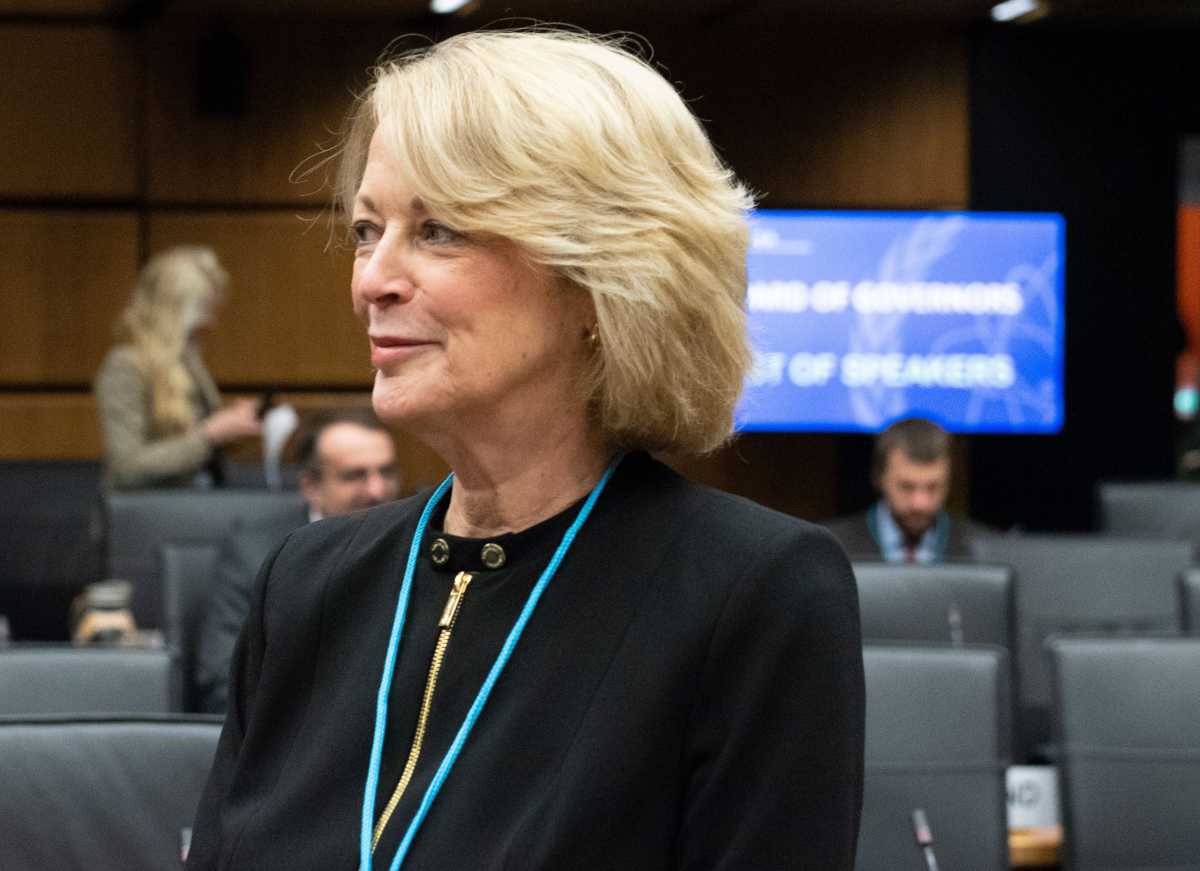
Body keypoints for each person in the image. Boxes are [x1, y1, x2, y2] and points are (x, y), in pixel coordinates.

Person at [187, 30, 863, 871]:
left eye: (437, 230)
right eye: (368, 229)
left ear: (600, 278)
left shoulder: (752, 594)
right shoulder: (307, 581)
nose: (371, 279)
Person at [194, 408, 401, 714]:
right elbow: (222, 682)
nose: (377, 490)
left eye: (386, 472)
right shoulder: (257, 555)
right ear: (311, 487)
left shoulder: (422, 545)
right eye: (354, 475)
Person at [94, 245, 261, 489]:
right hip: (145, 520)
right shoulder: (126, 367)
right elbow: (127, 468)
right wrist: (209, 435)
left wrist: (232, 427)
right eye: (203, 315)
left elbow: (196, 442)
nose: (212, 324)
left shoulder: (187, 361)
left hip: (191, 510)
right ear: (172, 313)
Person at [823, 417, 990, 563]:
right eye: (906, 487)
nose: (920, 504)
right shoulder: (829, 548)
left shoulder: (987, 551)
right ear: (878, 478)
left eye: (933, 487)